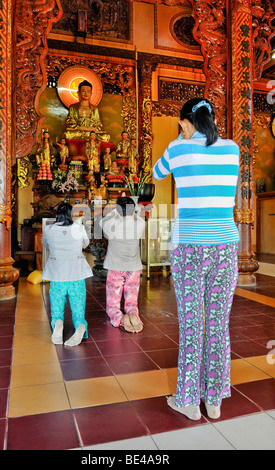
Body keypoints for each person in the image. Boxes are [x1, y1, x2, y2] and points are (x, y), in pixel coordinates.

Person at [152, 98, 240, 421]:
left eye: (181, 125)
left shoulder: (178, 148)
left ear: (186, 123)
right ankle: (214, 399)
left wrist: (180, 138)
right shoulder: (232, 149)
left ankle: (188, 400)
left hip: (189, 246)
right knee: (217, 324)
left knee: (192, 323)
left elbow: (156, 173)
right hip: (225, 246)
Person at [42, 202, 93, 346]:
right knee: (78, 309)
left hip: (57, 274)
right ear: (71, 215)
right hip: (76, 274)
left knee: (57, 308)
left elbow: (46, 245)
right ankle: (80, 326)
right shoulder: (79, 228)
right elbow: (85, 244)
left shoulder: (49, 229)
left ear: (57, 215)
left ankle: (58, 324)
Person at [99, 196, 145, 333]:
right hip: (134, 266)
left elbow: (102, 221)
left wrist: (115, 212)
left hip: (115, 266)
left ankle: (118, 317)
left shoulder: (111, 225)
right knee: (132, 296)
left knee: (113, 299)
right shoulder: (140, 224)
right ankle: (133, 314)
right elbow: (137, 215)